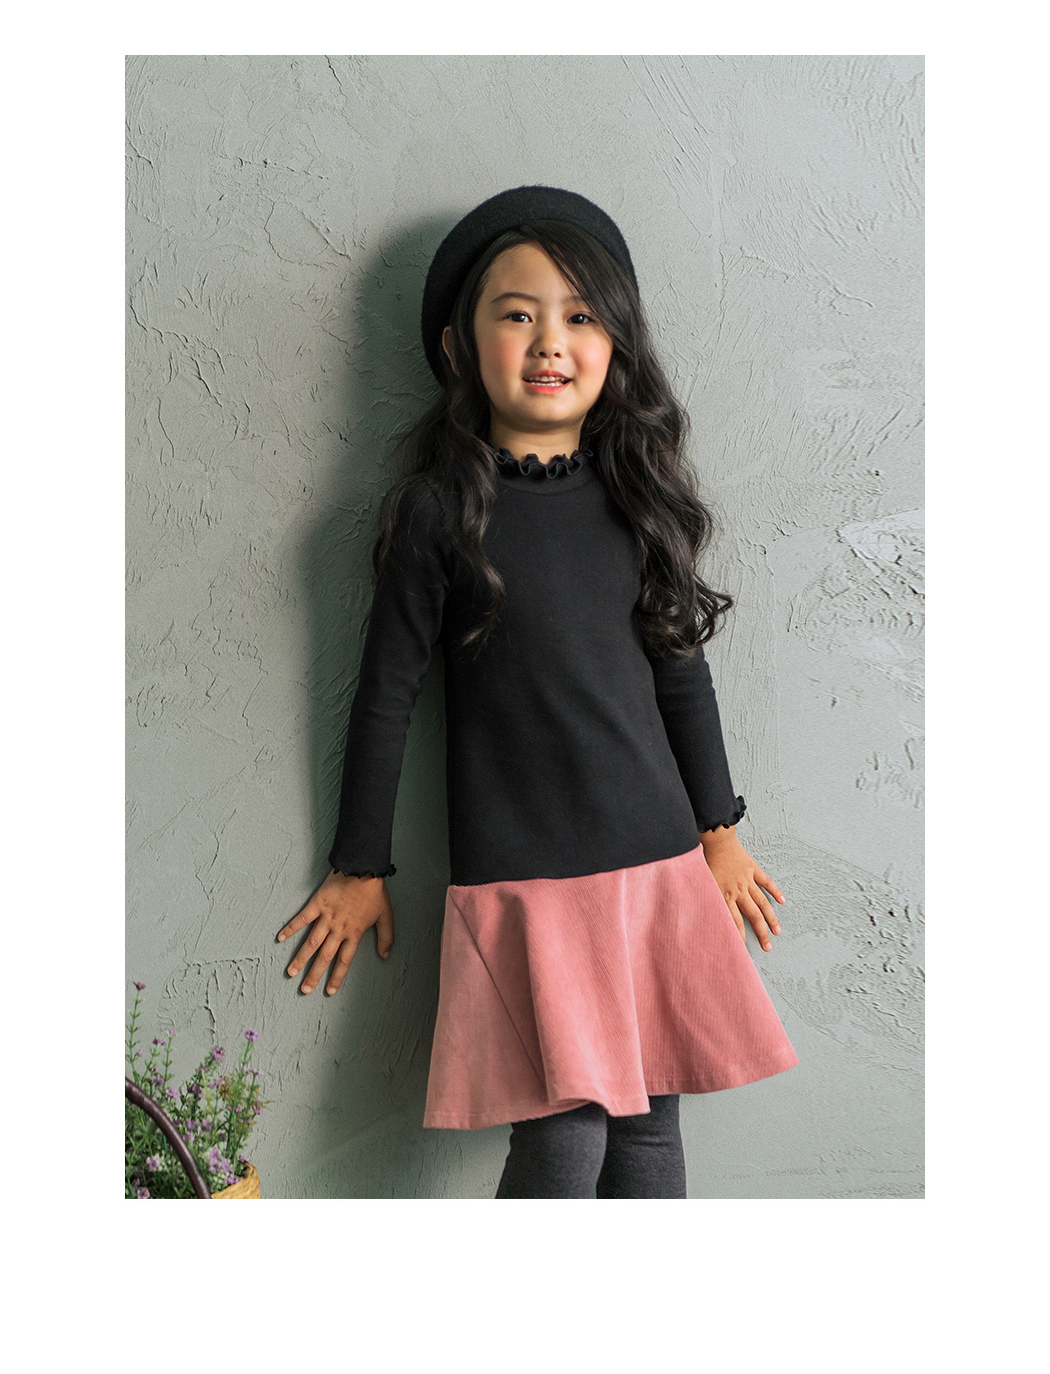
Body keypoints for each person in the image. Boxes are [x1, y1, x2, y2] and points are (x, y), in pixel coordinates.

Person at [277, 185, 799, 1199]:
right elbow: (384, 695)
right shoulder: (439, 512)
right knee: (563, 1143)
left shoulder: (639, 499)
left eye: (581, 315)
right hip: (526, 885)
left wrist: (720, 831)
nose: (551, 340)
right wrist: (359, 862)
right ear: (458, 346)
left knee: (650, 1134)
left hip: (653, 864)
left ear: (617, 345)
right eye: (517, 314)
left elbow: (682, 672)